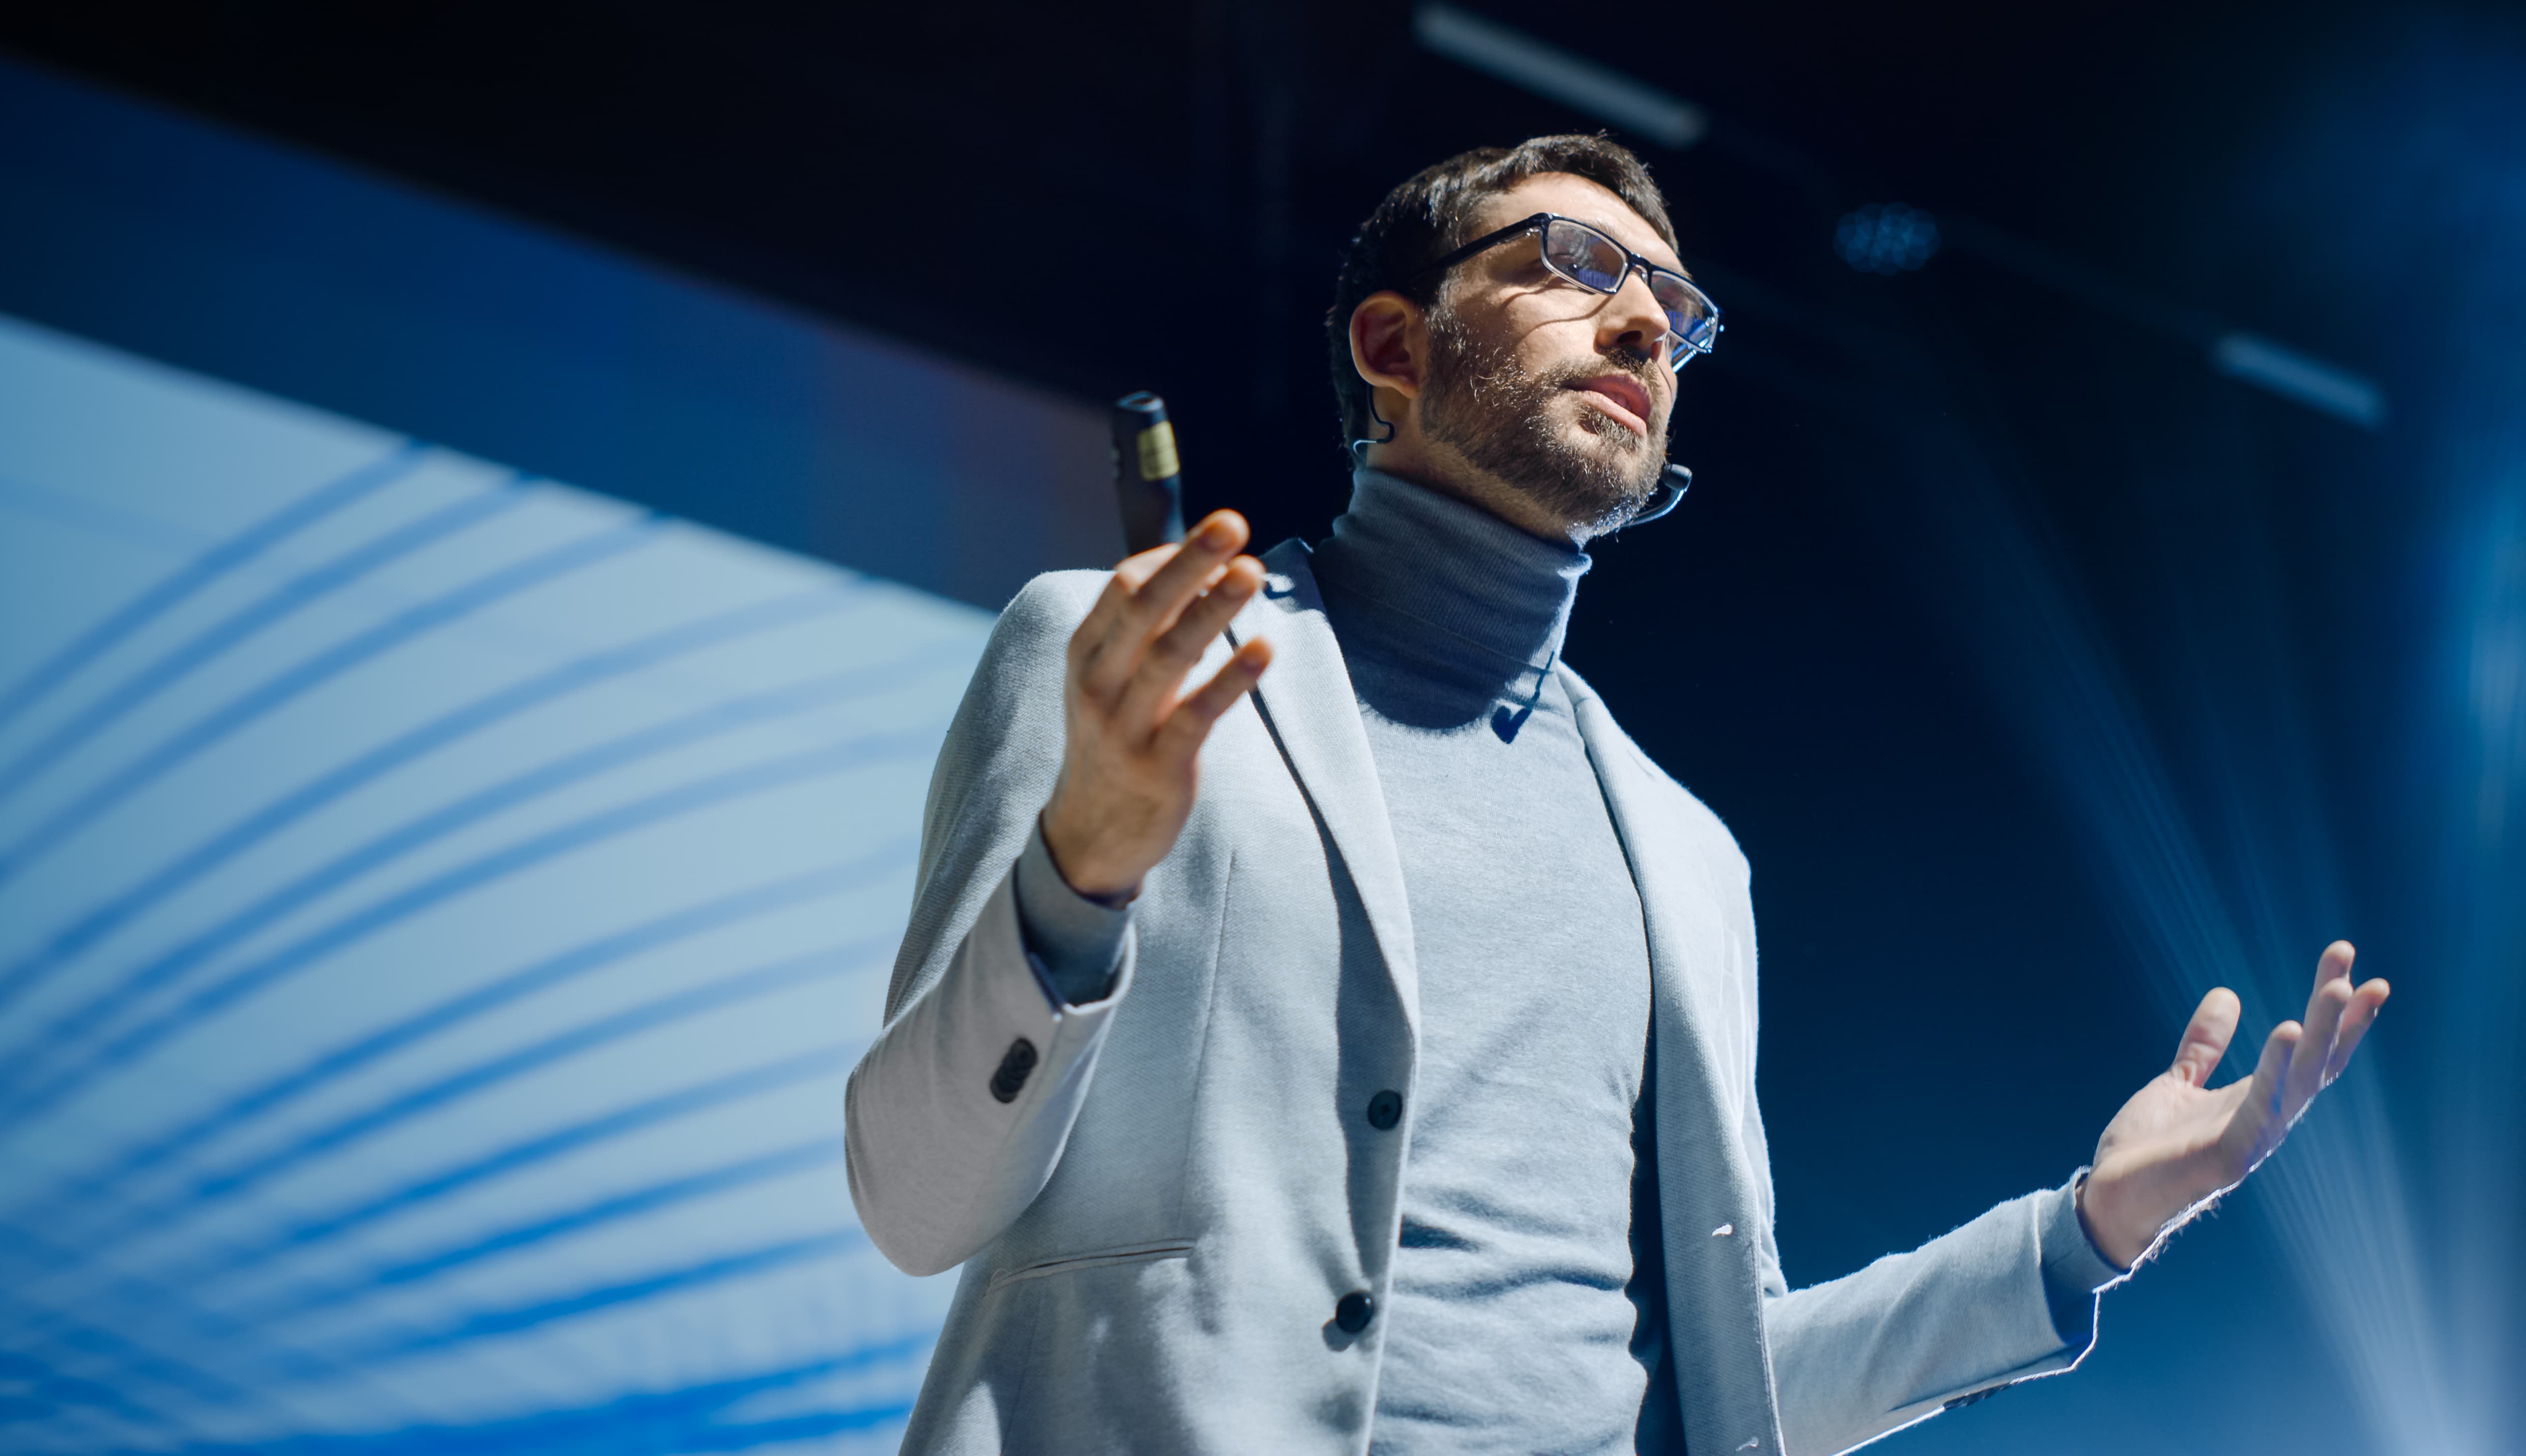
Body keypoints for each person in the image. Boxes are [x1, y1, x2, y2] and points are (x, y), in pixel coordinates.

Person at [843, 135, 2389, 1456]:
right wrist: (1079, 877)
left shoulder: (1689, 859)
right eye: (1578, 262)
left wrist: (2084, 1232)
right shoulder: (1119, 661)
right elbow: (916, 1199)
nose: (1648, 323)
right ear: (1393, 347)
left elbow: (1733, 1387)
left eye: (1676, 305)